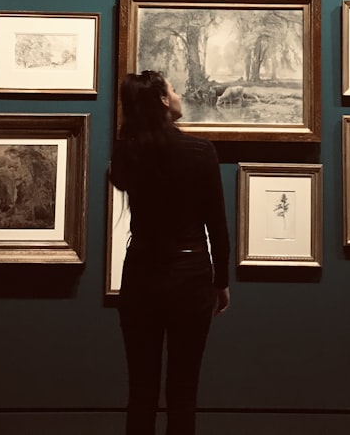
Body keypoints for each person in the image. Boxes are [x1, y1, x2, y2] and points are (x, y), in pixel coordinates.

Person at [108, 70, 231, 435]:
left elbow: (120, 180)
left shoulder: (128, 151)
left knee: (141, 391)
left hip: (141, 273)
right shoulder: (200, 151)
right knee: (183, 391)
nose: (178, 95)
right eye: (173, 90)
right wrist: (220, 281)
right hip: (190, 273)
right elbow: (216, 225)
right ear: (163, 100)